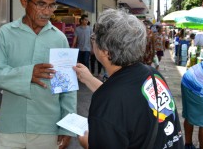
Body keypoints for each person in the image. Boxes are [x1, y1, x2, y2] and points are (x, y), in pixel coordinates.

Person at [73, 9, 184, 149]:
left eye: (94, 38)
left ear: (105, 51)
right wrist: (89, 78)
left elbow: (116, 102)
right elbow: (128, 102)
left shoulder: (106, 102)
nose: (92, 41)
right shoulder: (153, 75)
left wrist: (87, 142)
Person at [0, 0, 77, 149]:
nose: (47, 11)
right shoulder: (6, 34)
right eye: (41, 4)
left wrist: (68, 126)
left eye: (52, 5)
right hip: (11, 126)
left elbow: (67, 88)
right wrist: (28, 74)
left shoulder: (60, 39)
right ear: (24, 2)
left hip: (48, 127)